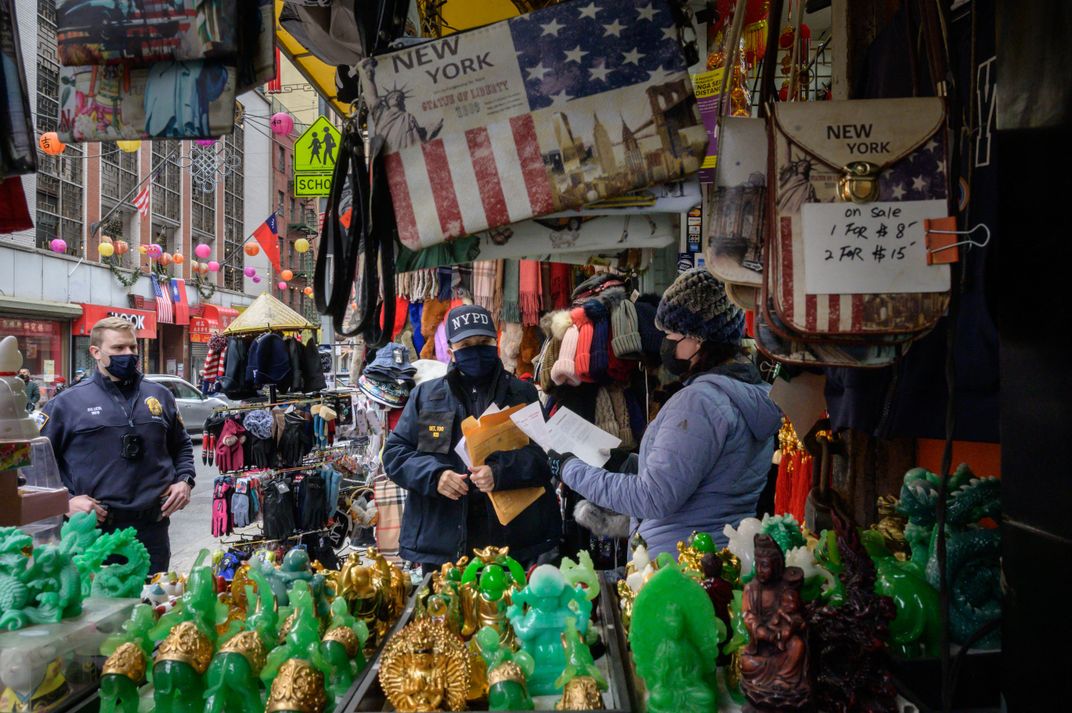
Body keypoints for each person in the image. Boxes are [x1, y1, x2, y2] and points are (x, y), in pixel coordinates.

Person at [549, 268, 781, 557]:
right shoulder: (746, 394)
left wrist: (570, 469)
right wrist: (621, 462)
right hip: (716, 552)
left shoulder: (699, 403)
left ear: (696, 339)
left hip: (680, 561)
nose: (665, 343)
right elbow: (695, 475)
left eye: (671, 333)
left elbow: (653, 497)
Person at [383, 305, 560, 572]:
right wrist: (436, 476)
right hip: (443, 543)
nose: (476, 350)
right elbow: (395, 454)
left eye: (483, 342)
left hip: (512, 541)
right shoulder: (426, 396)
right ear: (451, 350)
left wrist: (500, 472)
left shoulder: (522, 394)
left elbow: (547, 456)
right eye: (466, 344)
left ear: (495, 342)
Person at [41, 317, 196, 574]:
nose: (129, 355)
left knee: (151, 609)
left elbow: (181, 446)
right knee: (99, 611)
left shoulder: (160, 395)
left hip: (152, 532)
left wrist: (185, 481)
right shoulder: (67, 404)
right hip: (93, 534)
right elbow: (36, 464)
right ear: (96, 352)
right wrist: (64, 502)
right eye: (118, 348)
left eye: (133, 348)